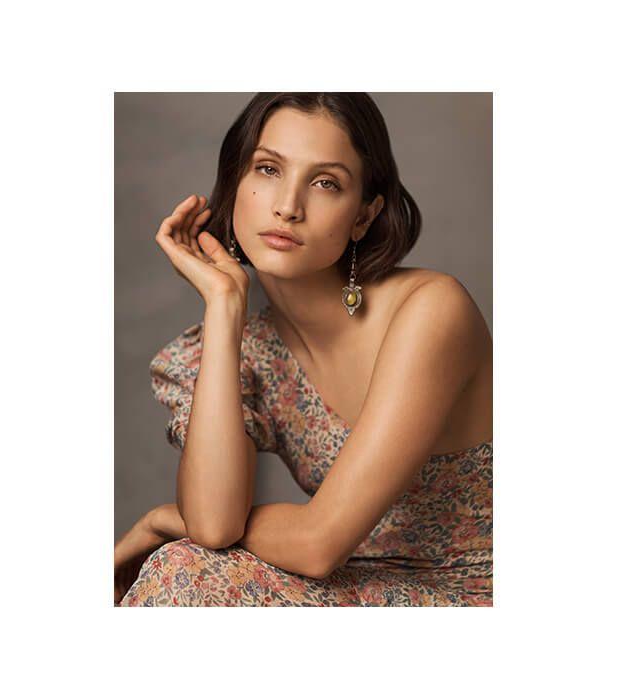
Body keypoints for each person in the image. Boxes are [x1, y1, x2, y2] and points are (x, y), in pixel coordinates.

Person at [114, 93, 492, 606]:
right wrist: (225, 306)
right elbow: (213, 522)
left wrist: (167, 517)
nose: (287, 207)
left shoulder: (430, 311)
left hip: (473, 594)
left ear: (363, 216)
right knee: (186, 564)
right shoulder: (248, 350)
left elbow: (317, 544)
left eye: (325, 183)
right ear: (235, 185)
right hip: (357, 588)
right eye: (268, 169)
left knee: (183, 570)